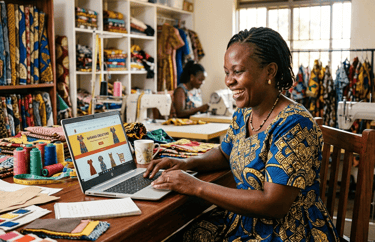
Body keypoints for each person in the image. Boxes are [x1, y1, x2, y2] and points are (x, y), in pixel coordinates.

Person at [144, 27, 339, 241]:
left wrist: (197, 186)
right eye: (227, 72)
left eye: (237, 71)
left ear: (270, 71)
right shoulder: (243, 114)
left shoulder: (294, 123)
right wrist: (186, 162)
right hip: (245, 220)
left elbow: (273, 205)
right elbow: (224, 153)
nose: (228, 81)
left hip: (287, 231)